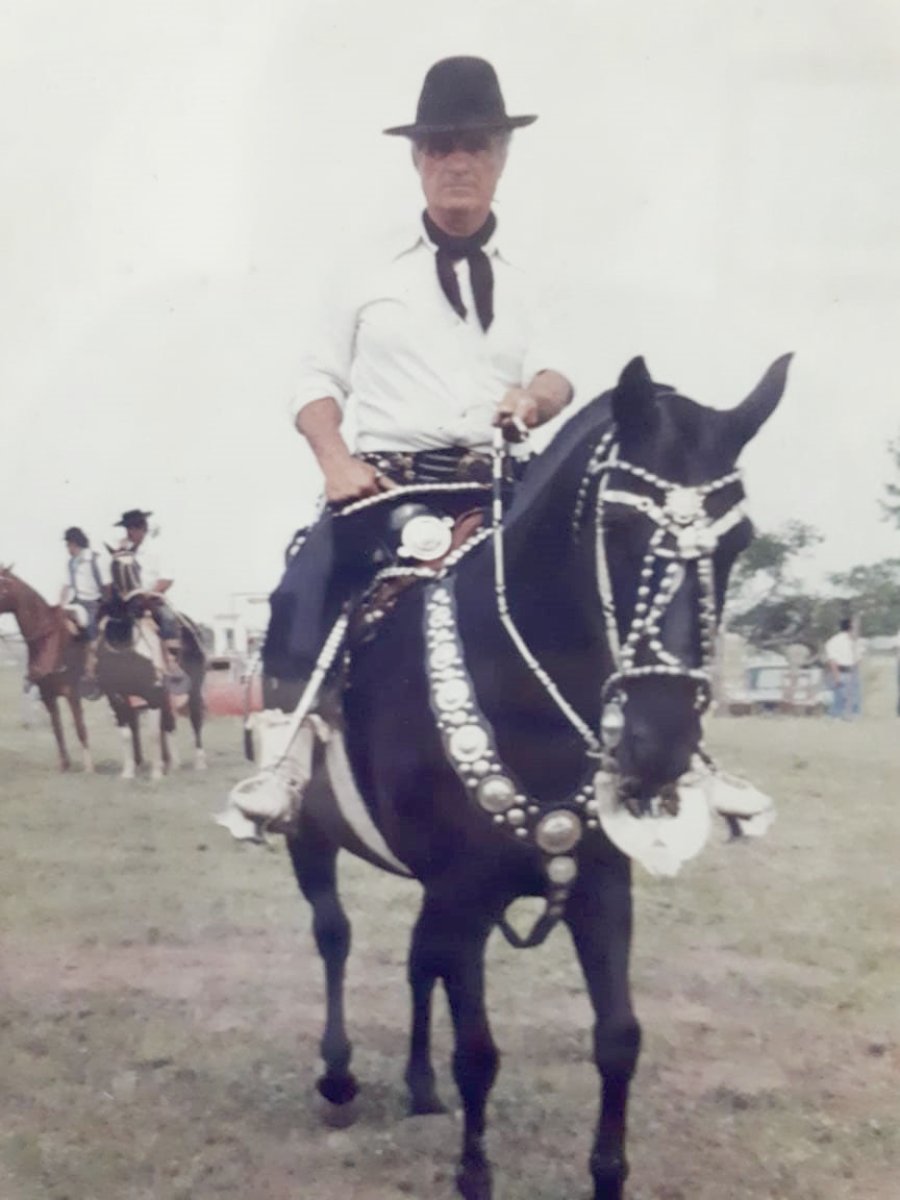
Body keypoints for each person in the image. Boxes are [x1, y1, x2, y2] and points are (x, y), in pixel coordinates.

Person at [222, 56, 575, 836]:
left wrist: (533, 399)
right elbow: (314, 378)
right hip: (387, 490)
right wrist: (335, 461)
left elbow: (557, 372)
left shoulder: (532, 273)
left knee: (591, 588)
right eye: (440, 146)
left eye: (476, 145)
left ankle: (641, 764)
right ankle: (284, 764)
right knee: (300, 593)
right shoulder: (362, 267)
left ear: (501, 158)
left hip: (498, 489)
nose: (458, 162)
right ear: (417, 160)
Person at [113, 509, 184, 683]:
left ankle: (171, 662)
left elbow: (167, 578)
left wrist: (152, 593)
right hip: (129, 598)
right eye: (127, 529)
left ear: (143, 528)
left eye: (133, 528)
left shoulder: (156, 549)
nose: (130, 533)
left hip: (152, 597)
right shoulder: (125, 551)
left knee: (167, 619)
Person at [59, 526, 109, 687]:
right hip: (77, 601)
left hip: (94, 602)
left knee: (92, 631)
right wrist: (60, 605)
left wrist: (106, 605)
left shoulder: (95, 559)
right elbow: (66, 586)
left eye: (68, 545)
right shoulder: (71, 563)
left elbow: (106, 586)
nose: (68, 549)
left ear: (74, 543)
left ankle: (91, 670)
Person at [824, 616, 863, 720]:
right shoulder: (835, 641)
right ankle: (835, 716)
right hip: (840, 672)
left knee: (854, 698)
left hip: (852, 672)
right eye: (855, 627)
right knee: (839, 697)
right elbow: (832, 660)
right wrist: (836, 676)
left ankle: (853, 717)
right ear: (850, 627)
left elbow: (858, 659)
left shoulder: (855, 642)